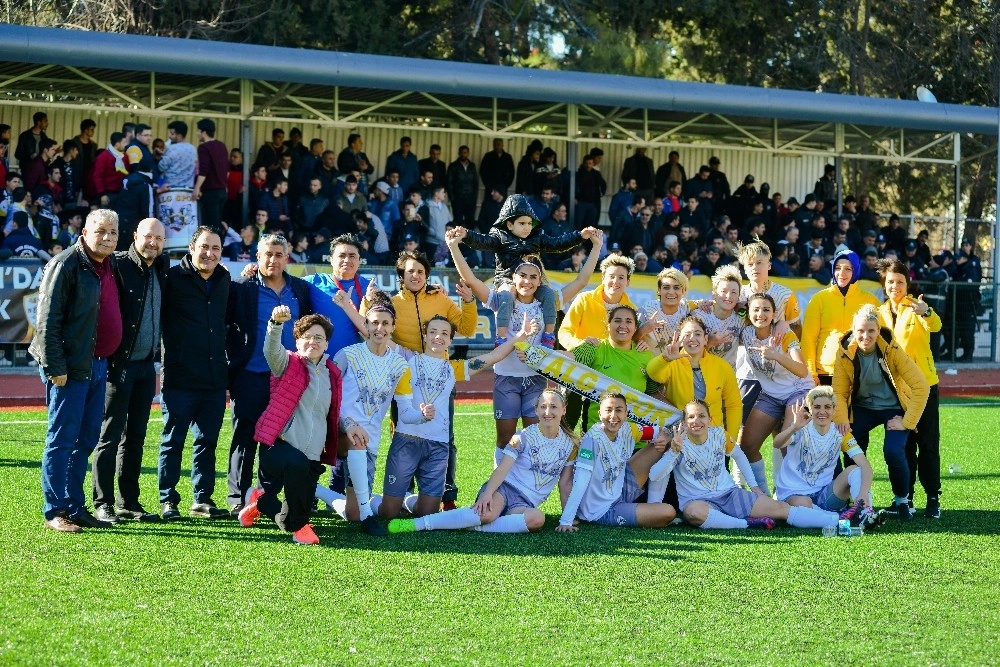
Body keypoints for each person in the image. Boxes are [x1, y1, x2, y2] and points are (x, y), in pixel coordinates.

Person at [377, 312, 537, 521]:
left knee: (428, 514)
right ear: (424, 336)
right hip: (406, 441)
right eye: (433, 332)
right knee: (388, 513)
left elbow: (493, 357)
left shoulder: (454, 368)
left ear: (450, 340)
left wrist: (521, 336)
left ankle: (408, 500)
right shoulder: (407, 358)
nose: (438, 337)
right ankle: (367, 503)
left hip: (437, 447)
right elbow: (378, 334)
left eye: (444, 333)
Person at [30, 209, 122, 532]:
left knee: (85, 440)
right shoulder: (65, 264)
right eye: (101, 231)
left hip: (98, 365)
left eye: (113, 232)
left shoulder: (110, 264)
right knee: (62, 439)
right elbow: (46, 322)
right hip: (69, 368)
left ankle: (74, 505)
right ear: (84, 232)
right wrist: (56, 367)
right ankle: (54, 510)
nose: (107, 237)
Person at [389, 389, 577, 535]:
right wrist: (488, 493)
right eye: (542, 406)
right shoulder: (523, 437)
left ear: (563, 410)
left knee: (537, 519)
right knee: (487, 514)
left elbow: (565, 483)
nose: (547, 412)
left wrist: (567, 519)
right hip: (505, 489)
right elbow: (502, 468)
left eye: (553, 407)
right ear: (536, 410)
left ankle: (468, 525)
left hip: (526, 503)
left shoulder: (570, 445)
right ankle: (419, 524)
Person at [646, 400, 840, 530]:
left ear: (710, 419)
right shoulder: (678, 442)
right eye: (690, 417)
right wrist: (673, 452)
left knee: (780, 509)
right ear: (684, 422)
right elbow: (655, 475)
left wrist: (754, 487)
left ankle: (836, 520)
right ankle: (746, 524)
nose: (696, 421)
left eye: (701, 416)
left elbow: (739, 455)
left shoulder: (719, 435)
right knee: (694, 513)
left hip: (729, 494)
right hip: (698, 501)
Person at [237, 309, 342, 545]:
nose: (313, 341)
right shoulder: (288, 363)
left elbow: (333, 411)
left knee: (288, 517)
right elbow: (270, 351)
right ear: (297, 341)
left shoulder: (332, 373)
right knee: (297, 469)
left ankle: (261, 502)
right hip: (278, 446)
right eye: (307, 336)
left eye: (319, 337)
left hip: (311, 454)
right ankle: (299, 527)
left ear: (326, 344)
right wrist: (275, 324)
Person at [225, 233, 313, 514]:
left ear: (287, 258)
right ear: (257, 257)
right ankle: (237, 495)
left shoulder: (300, 289)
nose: (273, 259)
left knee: (287, 439)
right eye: (267, 254)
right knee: (245, 436)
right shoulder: (242, 287)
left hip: (289, 379)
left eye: (278, 254)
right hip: (251, 375)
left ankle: (279, 497)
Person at [91, 218, 168, 524]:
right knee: (109, 436)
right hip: (118, 365)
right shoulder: (117, 265)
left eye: (159, 238)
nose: (153, 243)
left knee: (135, 437)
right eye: (148, 236)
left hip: (146, 367)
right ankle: (103, 502)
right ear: (135, 236)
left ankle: (129, 502)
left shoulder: (161, 267)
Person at [446, 235, 549, 458]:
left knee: (534, 438)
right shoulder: (499, 300)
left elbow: (581, 281)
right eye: (522, 275)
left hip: (536, 379)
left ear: (540, 281)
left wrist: (596, 245)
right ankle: (498, 484)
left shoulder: (547, 303)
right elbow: (471, 280)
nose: (527, 281)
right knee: (505, 438)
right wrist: (454, 246)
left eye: (533, 277)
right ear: (514, 277)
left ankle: (527, 487)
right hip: (506, 379)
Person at [323, 291, 412, 536]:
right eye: (374, 322)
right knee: (357, 440)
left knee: (349, 513)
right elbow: (327, 394)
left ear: (393, 327)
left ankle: (314, 490)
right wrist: (346, 422)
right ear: (366, 325)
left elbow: (406, 410)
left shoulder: (399, 365)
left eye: (385, 323)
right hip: (338, 432)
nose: (379, 328)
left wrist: (422, 414)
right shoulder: (348, 355)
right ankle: (367, 516)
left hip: (369, 440)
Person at [456, 193, 598, 347]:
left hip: (532, 280)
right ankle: (500, 338)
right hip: (506, 279)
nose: (527, 227)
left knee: (550, 294)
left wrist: (580, 236)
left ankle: (549, 336)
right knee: (508, 294)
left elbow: (558, 244)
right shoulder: (499, 237)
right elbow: (482, 242)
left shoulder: (537, 237)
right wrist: (467, 235)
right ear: (509, 225)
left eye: (530, 223)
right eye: (522, 223)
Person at [158, 226, 231, 521]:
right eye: (204, 247)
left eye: (215, 248)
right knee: (172, 441)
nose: (209, 253)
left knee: (207, 442)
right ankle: (168, 500)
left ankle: (202, 499)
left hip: (214, 378)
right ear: (191, 248)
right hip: (179, 376)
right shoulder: (172, 279)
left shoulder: (225, 279)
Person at [832, 304, 930, 520]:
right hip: (862, 408)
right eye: (860, 331)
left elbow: (921, 387)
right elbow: (838, 393)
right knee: (851, 447)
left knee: (893, 451)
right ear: (853, 331)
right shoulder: (843, 353)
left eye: (871, 331)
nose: (865, 336)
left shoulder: (892, 350)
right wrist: (841, 420)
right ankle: (857, 500)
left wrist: (907, 421)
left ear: (878, 331)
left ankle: (902, 501)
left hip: (892, 408)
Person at [645, 314, 741, 503]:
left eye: (697, 334)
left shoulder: (721, 366)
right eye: (686, 334)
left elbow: (733, 404)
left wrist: (730, 435)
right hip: (680, 437)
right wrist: (665, 358)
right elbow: (653, 373)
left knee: (718, 491)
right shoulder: (672, 362)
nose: (692, 338)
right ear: (679, 338)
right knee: (678, 492)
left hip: (713, 438)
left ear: (706, 339)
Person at [876, 259, 942, 519]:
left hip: (924, 386)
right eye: (890, 282)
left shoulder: (917, 306)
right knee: (904, 446)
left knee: (927, 444)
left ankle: (933, 497)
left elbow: (935, 325)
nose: (895, 286)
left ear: (907, 283)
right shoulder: (879, 313)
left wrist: (926, 312)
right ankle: (906, 498)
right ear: (884, 284)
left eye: (900, 282)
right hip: (895, 390)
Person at [733, 293, 815, 495]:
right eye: (756, 310)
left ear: (774, 314)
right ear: (749, 314)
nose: (761, 314)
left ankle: (789, 494)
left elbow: (802, 370)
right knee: (747, 446)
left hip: (798, 390)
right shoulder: (746, 333)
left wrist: (776, 355)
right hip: (770, 395)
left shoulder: (785, 335)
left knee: (787, 443)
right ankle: (763, 495)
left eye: (766, 310)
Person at [557, 392, 677, 530]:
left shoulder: (629, 429)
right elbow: (580, 481)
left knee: (662, 444)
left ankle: (651, 505)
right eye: (608, 410)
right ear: (600, 413)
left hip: (620, 489)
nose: (613, 416)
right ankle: (651, 511)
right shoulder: (592, 440)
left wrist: (666, 437)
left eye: (619, 410)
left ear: (626, 414)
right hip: (601, 509)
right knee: (668, 512)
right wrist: (566, 520)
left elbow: (661, 431)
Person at [774, 387, 886, 529]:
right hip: (794, 494)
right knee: (803, 504)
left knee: (855, 470)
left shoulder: (841, 433)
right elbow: (777, 443)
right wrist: (793, 428)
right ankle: (843, 518)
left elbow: (866, 467)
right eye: (817, 407)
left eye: (827, 407)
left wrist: (863, 493)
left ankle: (865, 512)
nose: (822, 412)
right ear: (810, 409)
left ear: (834, 410)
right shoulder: (800, 429)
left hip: (824, 494)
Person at [569, 305, 659, 430]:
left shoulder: (646, 356)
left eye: (628, 321)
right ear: (608, 325)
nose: (623, 325)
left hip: (635, 438)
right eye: (617, 321)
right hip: (597, 433)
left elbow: (652, 393)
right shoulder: (593, 348)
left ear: (635, 328)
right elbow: (564, 362)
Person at [801, 249, 880, 386]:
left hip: (860, 372)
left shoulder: (870, 300)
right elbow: (808, 338)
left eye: (848, 269)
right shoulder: (819, 299)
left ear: (855, 270)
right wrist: (811, 373)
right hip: (825, 373)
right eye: (837, 268)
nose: (841, 274)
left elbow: (882, 336)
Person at [636, 267, 697, 349]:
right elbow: (627, 340)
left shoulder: (687, 309)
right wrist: (643, 330)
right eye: (666, 287)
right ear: (659, 290)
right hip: (649, 361)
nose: (671, 292)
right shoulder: (646, 311)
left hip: (678, 361)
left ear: (683, 291)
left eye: (676, 288)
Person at [699, 265, 744, 369]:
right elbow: (688, 352)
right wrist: (709, 343)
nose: (728, 296)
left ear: (738, 297)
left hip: (728, 377)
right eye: (724, 291)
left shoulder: (743, 319)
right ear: (714, 294)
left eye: (734, 292)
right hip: (702, 375)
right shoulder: (699, 316)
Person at [192, 119, 229, 233]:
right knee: (217, 223)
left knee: (209, 226)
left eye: (198, 131)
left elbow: (203, 170)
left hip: (210, 193)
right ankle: (219, 247)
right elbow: (226, 169)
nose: (197, 133)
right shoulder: (222, 145)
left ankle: (214, 248)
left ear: (204, 132)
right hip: (222, 191)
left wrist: (197, 188)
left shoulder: (204, 147)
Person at [158, 120, 197, 189]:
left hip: (171, 189)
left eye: (172, 134)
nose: (169, 136)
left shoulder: (171, 148)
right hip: (188, 189)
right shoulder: (193, 149)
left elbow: (161, 167)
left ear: (179, 136)